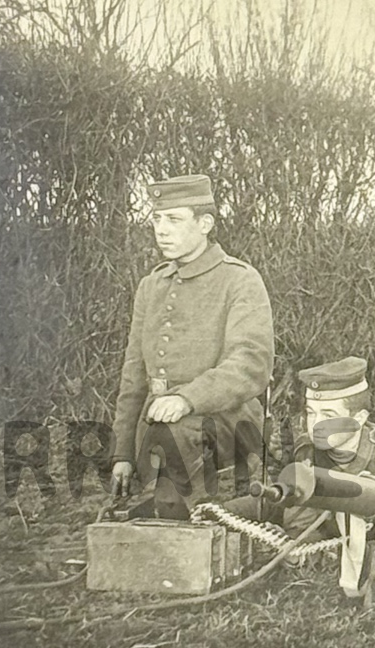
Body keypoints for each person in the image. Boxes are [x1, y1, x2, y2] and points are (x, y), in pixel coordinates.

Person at [109, 174, 274, 520]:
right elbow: (134, 376)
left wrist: (187, 399)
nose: (161, 230)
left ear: (205, 224)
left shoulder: (239, 280)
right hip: (157, 429)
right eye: (156, 219)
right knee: (133, 503)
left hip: (228, 423)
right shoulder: (151, 286)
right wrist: (122, 453)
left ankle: (188, 533)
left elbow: (250, 364)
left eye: (174, 219)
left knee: (175, 449)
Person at [281, 356, 375, 596]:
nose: (315, 426)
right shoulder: (306, 451)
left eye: (328, 415)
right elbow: (301, 523)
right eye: (311, 413)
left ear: (359, 419)